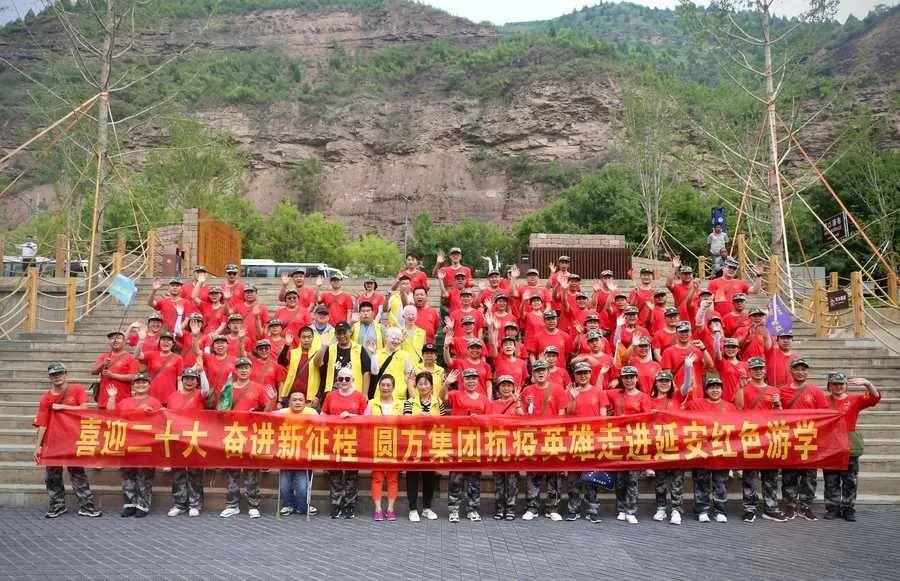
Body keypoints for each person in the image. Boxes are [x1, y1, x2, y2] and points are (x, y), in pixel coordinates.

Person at [33, 362, 101, 519]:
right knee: (52, 476)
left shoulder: (76, 389)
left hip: (73, 439)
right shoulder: (46, 398)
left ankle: (87, 506)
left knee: (78, 473)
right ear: (50, 377)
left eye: (60, 373)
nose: (57, 377)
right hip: (53, 441)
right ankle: (57, 505)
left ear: (66, 374)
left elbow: (84, 409)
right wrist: (38, 446)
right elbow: (42, 423)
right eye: (53, 375)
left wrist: (62, 407)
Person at [218, 358, 276, 519]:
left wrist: (272, 400)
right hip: (232, 434)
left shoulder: (258, 388)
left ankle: (253, 505)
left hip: (251, 434)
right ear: (236, 370)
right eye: (240, 368)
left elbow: (266, 413)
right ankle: (232, 505)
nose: (243, 370)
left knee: (252, 471)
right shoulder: (228, 388)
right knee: (232, 471)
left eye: (246, 368)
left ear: (251, 370)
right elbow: (220, 411)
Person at [736, 357, 787, 523]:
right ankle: (749, 508)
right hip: (750, 436)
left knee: (770, 475)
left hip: (769, 437)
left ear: (765, 371)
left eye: (761, 368)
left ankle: (771, 508)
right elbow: (738, 408)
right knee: (750, 476)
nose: (758, 371)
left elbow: (780, 416)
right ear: (750, 371)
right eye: (755, 369)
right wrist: (740, 389)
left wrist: (778, 405)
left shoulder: (774, 390)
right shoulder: (744, 388)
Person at [823, 373, 880, 521]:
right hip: (830, 444)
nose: (838, 387)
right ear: (829, 386)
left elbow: (875, 398)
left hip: (849, 445)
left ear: (846, 385)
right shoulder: (823, 401)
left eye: (841, 384)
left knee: (850, 480)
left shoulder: (855, 399)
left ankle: (848, 508)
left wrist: (867, 384)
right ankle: (832, 508)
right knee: (831, 479)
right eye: (835, 384)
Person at [779, 358, 828, 520]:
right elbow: (777, 413)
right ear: (791, 371)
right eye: (797, 369)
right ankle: (790, 505)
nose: (800, 372)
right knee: (789, 474)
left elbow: (825, 413)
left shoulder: (816, 391)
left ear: (807, 372)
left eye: (803, 369)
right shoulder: (783, 391)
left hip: (809, 438)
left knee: (809, 475)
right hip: (790, 438)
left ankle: (806, 506)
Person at [107, 372, 161, 518]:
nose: (140, 385)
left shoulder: (154, 402)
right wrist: (112, 397)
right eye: (137, 382)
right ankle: (129, 504)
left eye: (144, 382)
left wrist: (153, 414)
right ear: (133, 385)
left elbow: (161, 422)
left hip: (146, 444)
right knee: (128, 476)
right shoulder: (125, 402)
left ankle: (143, 505)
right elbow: (111, 414)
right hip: (127, 443)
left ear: (149, 385)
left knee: (144, 476)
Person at [521, 360, 567, 521]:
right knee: (533, 473)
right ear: (533, 374)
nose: (540, 373)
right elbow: (522, 414)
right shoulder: (527, 390)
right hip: (533, 437)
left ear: (548, 372)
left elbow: (562, 413)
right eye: (537, 370)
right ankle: (531, 507)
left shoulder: (558, 389)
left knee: (553, 473)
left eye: (543, 370)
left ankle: (552, 508)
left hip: (552, 436)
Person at [686, 375, 736, 523]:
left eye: (717, 387)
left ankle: (720, 510)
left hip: (721, 450)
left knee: (720, 482)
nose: (715, 390)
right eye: (711, 387)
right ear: (706, 390)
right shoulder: (695, 404)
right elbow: (681, 415)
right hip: (702, 450)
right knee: (701, 481)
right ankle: (702, 510)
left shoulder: (730, 407)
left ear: (722, 390)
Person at [321, 366, 368, 519]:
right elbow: (323, 414)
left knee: (351, 475)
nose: (344, 381)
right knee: (335, 474)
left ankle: (349, 505)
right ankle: (335, 504)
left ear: (352, 380)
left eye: (347, 378)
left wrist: (351, 416)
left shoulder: (359, 397)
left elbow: (367, 419)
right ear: (337, 380)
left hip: (353, 440)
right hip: (334, 439)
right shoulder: (330, 396)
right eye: (341, 378)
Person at [564, 362, 609, 523]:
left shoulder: (599, 392)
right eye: (579, 373)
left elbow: (603, 417)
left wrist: (601, 437)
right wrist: (573, 398)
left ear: (590, 374)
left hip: (592, 439)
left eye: (585, 372)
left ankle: (592, 509)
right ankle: (573, 508)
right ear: (575, 376)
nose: (582, 376)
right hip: (574, 439)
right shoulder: (569, 392)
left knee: (592, 477)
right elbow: (567, 415)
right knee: (573, 477)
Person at [610, 366, 652, 524]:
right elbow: (599, 393)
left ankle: (631, 510)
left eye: (631, 377)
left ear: (636, 378)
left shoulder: (643, 397)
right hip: (618, 441)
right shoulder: (616, 394)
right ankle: (621, 509)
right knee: (620, 479)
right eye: (626, 377)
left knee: (632, 478)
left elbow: (647, 419)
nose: (629, 380)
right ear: (622, 379)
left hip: (635, 441)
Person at [166, 367, 208, 517]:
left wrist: (202, 372)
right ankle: (179, 504)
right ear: (182, 380)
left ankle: (195, 504)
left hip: (194, 437)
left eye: (192, 379)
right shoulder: (173, 396)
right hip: (177, 437)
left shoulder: (199, 394)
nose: (189, 381)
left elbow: (206, 390)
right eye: (186, 379)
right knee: (178, 472)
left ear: (196, 381)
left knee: (194, 472)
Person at [403, 371, 443, 522]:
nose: (423, 386)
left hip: (432, 444)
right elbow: (405, 421)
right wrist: (419, 417)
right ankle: (412, 509)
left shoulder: (438, 402)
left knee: (429, 477)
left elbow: (445, 423)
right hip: (413, 444)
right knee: (412, 476)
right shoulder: (409, 402)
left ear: (431, 386)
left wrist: (430, 419)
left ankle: (427, 508)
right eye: (420, 383)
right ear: (416, 386)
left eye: (426, 383)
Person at [366, 374, 404, 521]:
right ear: (379, 387)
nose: (385, 388)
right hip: (377, 444)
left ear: (393, 388)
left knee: (393, 478)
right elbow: (363, 422)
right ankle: (378, 509)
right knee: (377, 477)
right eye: (383, 385)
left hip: (395, 445)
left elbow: (406, 424)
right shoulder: (371, 403)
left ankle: (390, 508)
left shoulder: (401, 404)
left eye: (389, 385)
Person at [487, 375, 524, 520]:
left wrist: (518, 403)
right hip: (497, 445)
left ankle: (510, 509)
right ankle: (499, 508)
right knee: (498, 480)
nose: (506, 388)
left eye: (509, 385)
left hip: (513, 446)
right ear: (498, 388)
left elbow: (524, 420)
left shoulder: (518, 403)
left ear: (513, 388)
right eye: (503, 385)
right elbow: (487, 423)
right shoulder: (492, 404)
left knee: (512, 480)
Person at [276, 390, 318, 516]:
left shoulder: (312, 413)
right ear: (289, 402)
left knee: (302, 487)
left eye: (300, 400)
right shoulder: (281, 413)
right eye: (294, 400)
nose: (297, 402)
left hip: (304, 456)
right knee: (284, 486)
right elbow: (264, 420)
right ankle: (288, 505)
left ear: (305, 402)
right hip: (286, 454)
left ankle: (303, 507)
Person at [315, 321, 372, 401]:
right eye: (339, 333)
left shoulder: (359, 349)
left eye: (344, 332)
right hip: (333, 391)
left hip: (354, 391)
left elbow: (366, 372)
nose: (342, 336)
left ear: (350, 332)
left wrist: (365, 393)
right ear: (335, 334)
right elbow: (317, 363)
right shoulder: (330, 348)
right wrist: (323, 346)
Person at [90, 330, 140, 409]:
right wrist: (103, 364)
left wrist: (112, 375)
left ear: (124, 341)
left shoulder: (131, 358)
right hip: (104, 399)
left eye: (118, 338)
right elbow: (93, 371)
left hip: (122, 399)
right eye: (112, 338)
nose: (115, 340)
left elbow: (133, 377)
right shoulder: (104, 356)